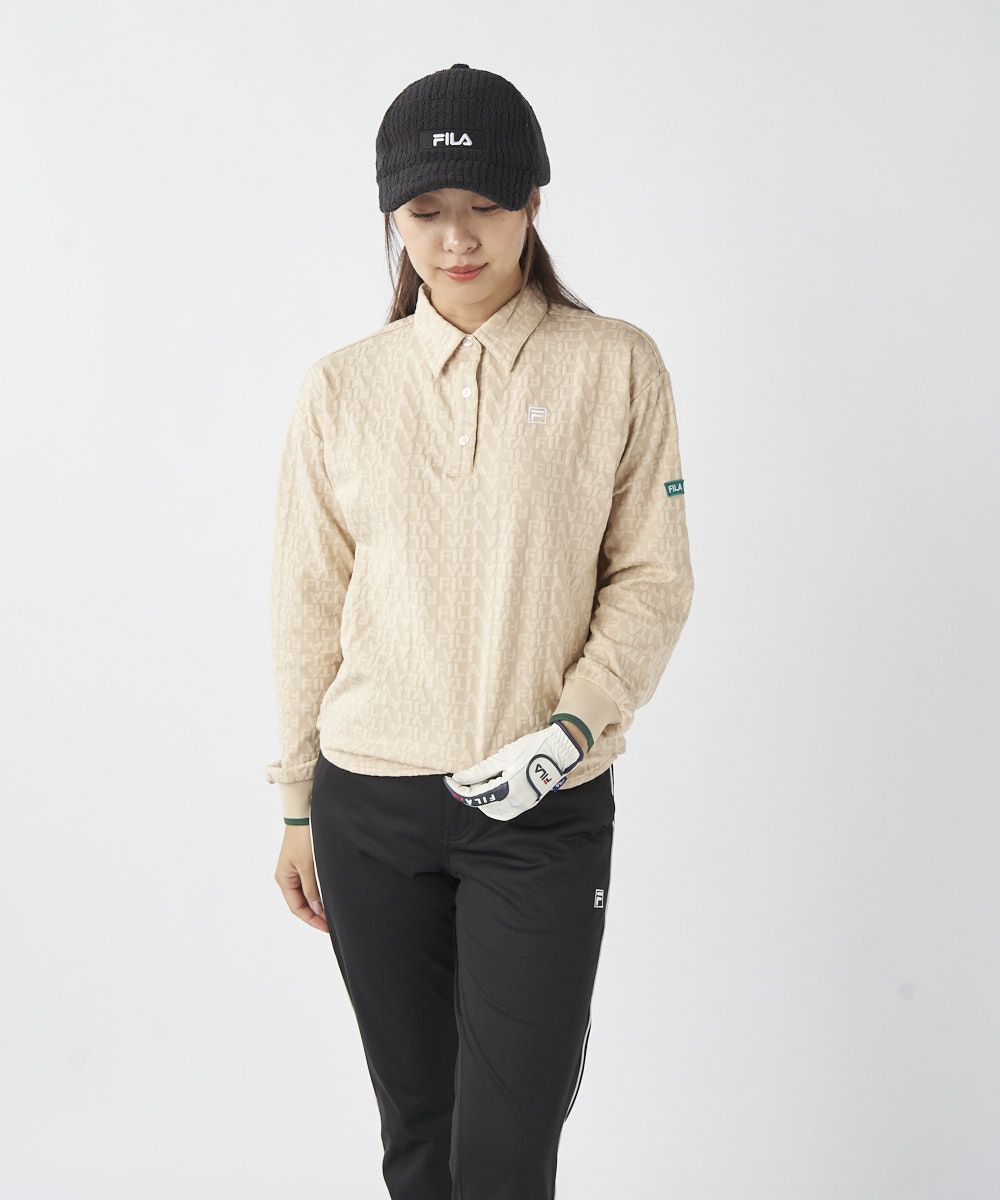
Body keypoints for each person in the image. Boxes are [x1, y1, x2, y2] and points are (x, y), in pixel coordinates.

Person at [264, 63, 694, 1200]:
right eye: (424, 211)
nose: (455, 239)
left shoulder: (615, 364)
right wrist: (299, 803)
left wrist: (569, 731)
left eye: (485, 206)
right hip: (370, 808)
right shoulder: (341, 389)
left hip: (540, 809)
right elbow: (307, 601)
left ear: (533, 203)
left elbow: (653, 578)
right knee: (420, 1135)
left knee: (505, 1151)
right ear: (392, 217)